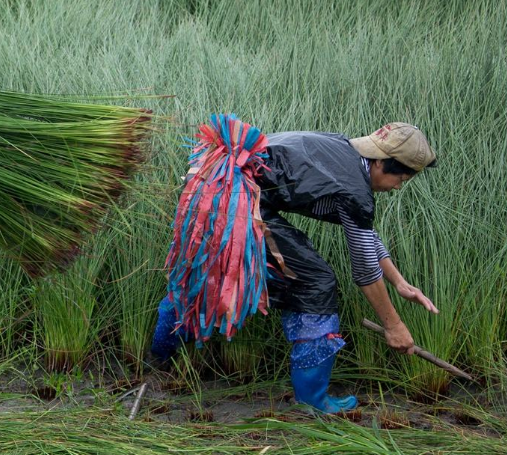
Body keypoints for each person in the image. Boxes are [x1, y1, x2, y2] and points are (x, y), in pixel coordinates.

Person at [151, 122, 438, 414]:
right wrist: (393, 326)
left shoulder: (342, 152)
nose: (398, 187)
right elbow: (364, 268)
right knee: (315, 283)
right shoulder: (354, 187)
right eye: (401, 178)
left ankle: (158, 356)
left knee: (216, 276)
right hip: (233, 199)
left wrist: (399, 282)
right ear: (380, 162)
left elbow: (364, 236)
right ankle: (313, 399)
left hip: (213, 188)